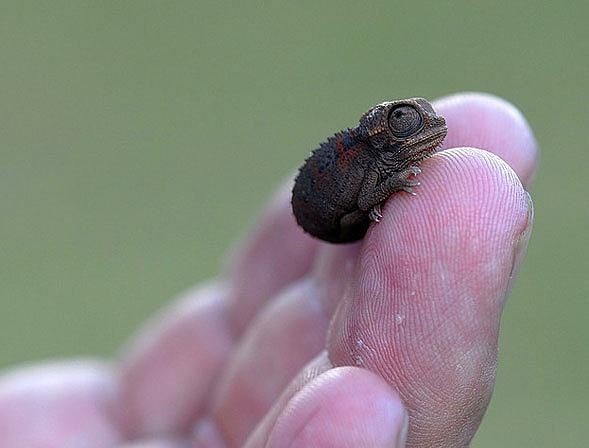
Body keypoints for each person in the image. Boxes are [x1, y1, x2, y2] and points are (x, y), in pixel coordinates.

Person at [0, 93, 537, 447]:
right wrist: (384, 192)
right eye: (405, 121)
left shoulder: (380, 155)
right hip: (324, 211)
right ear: (383, 131)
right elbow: (356, 193)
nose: (427, 130)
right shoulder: (371, 158)